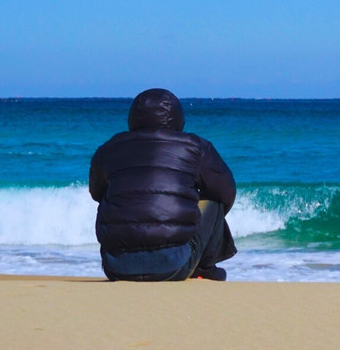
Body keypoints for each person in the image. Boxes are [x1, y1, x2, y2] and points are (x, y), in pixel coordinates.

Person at [89, 88, 237, 281]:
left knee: (111, 197)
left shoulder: (108, 149)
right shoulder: (195, 146)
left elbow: (96, 193)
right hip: (173, 266)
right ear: (178, 118)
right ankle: (204, 267)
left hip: (116, 267)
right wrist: (190, 208)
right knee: (215, 201)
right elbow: (226, 192)